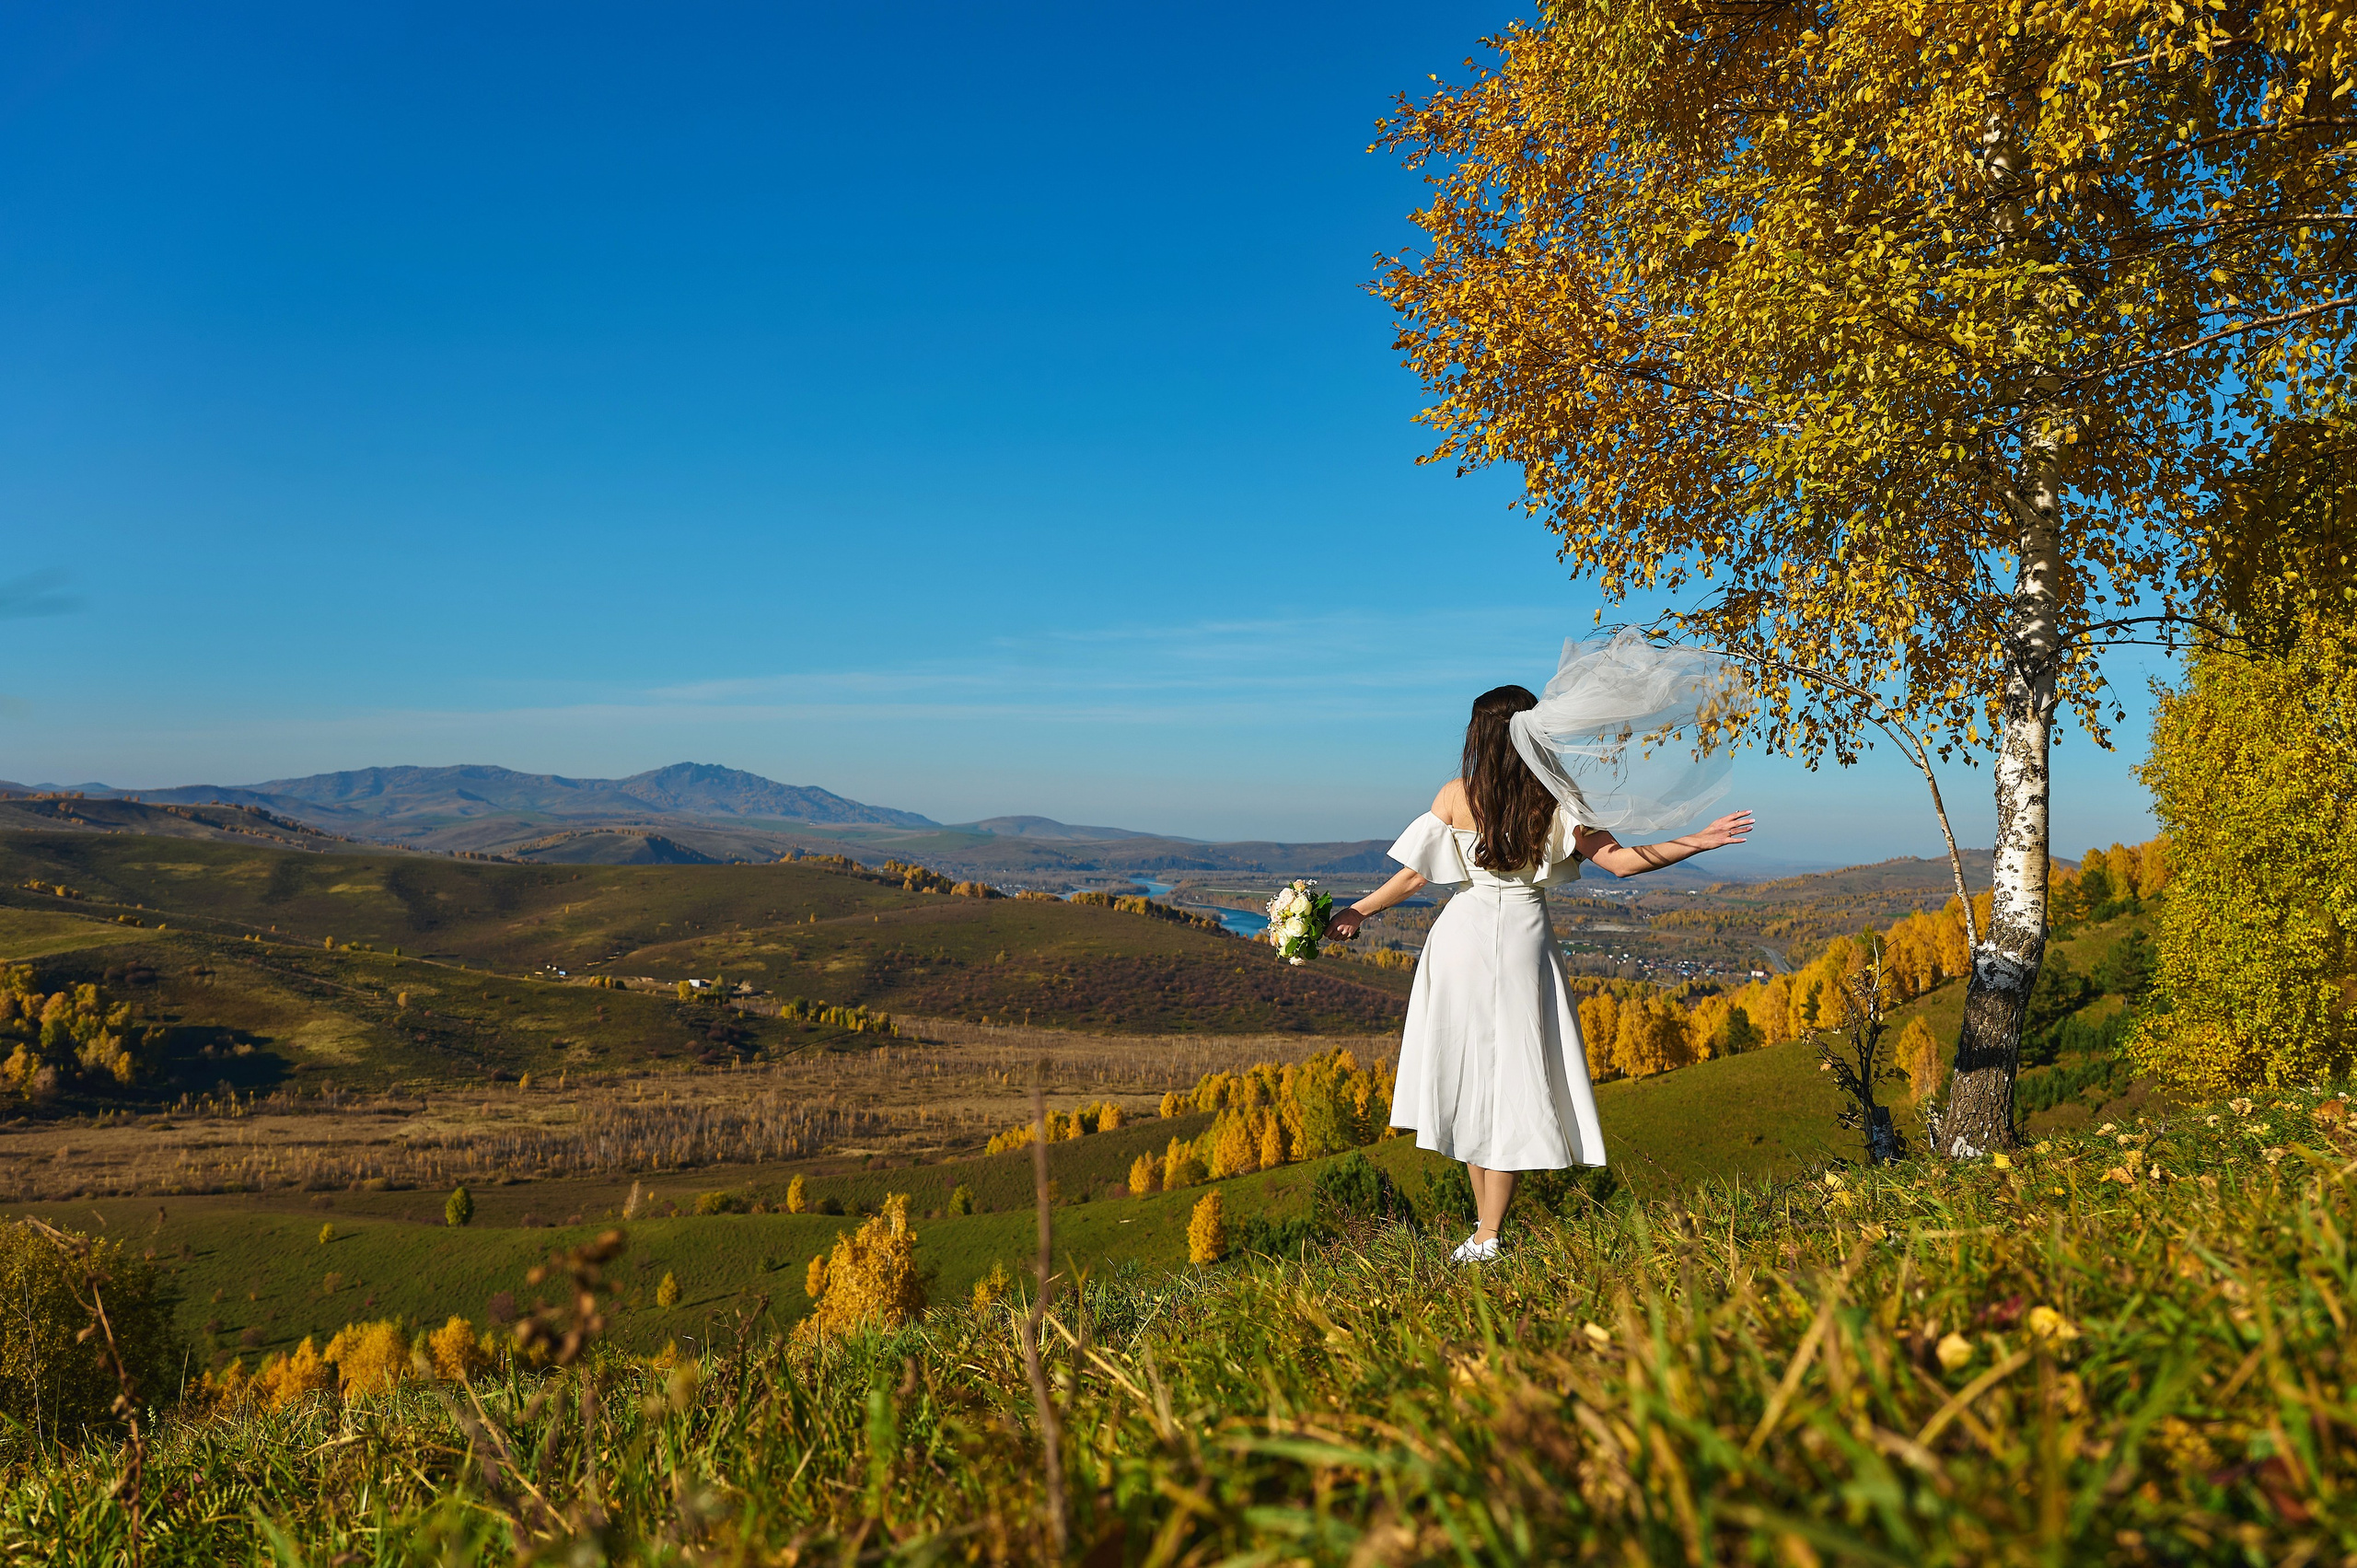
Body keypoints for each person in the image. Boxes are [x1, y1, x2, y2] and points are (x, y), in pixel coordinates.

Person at [1326, 633, 1753, 1262]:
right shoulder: (1556, 799)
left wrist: (1359, 910)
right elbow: (1624, 863)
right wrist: (1698, 841)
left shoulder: (1456, 793)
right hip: (1522, 939)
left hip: (1461, 941)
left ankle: (1487, 1235)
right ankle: (1486, 1233)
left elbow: (1416, 875)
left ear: (1481, 736)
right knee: (1513, 1081)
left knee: (1475, 1079)